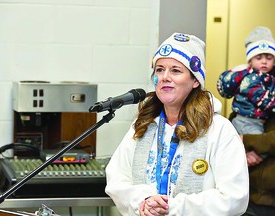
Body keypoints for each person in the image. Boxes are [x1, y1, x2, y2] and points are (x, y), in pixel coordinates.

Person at [105, 32, 249, 215]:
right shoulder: (142, 125)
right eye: (159, 69)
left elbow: (235, 198)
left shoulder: (218, 129)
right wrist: (143, 200)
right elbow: (117, 178)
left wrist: (173, 208)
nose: (165, 77)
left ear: (195, 80)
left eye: (175, 70)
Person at [217, 26, 275, 138]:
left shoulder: (267, 77)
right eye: (258, 58)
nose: (264, 62)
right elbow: (262, 99)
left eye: (269, 58)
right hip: (246, 122)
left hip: (254, 121)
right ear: (250, 61)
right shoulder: (251, 78)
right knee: (258, 146)